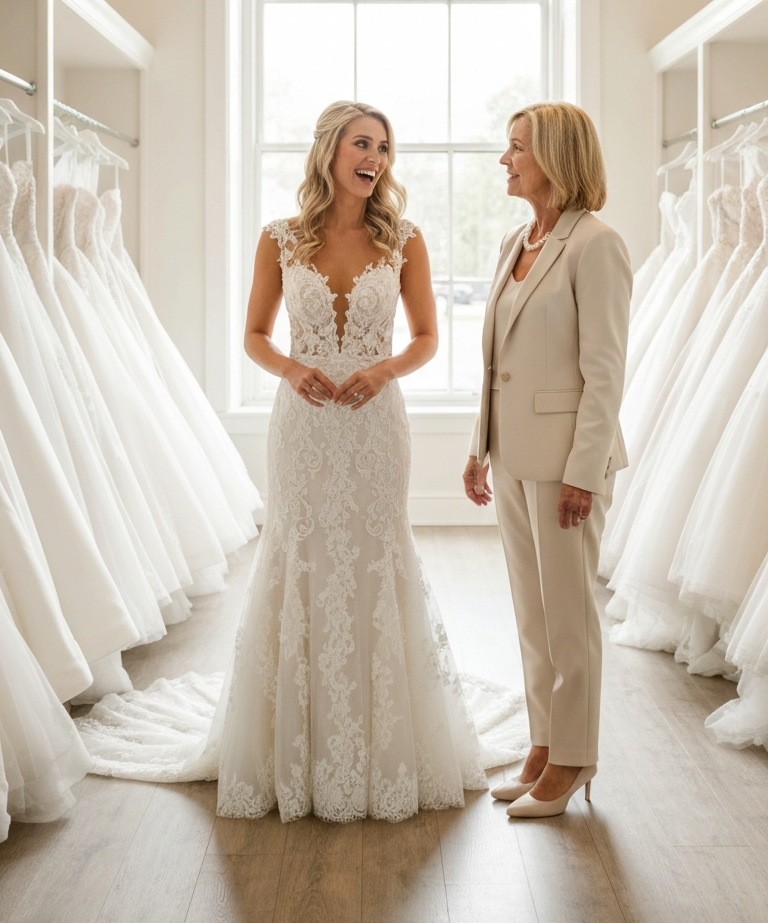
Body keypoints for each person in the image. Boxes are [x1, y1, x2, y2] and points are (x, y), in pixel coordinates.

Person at [78, 101, 527, 821]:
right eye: (361, 142)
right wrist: (292, 371)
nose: (374, 157)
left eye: (383, 146)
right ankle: (293, 738)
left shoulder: (404, 239)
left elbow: (426, 339)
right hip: (305, 424)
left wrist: (381, 373)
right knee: (301, 553)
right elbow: (255, 334)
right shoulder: (279, 240)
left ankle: (384, 735)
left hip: (377, 423)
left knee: (377, 551)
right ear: (329, 151)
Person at [463, 102, 631, 819]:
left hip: (567, 463)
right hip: (511, 455)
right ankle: (542, 742)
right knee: (531, 617)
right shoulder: (516, 240)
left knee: (570, 619)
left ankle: (574, 758)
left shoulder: (596, 245)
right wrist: (479, 447)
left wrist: (583, 471)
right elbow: (497, 358)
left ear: (555, 158)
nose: (505, 160)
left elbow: (606, 372)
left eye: (517, 148)